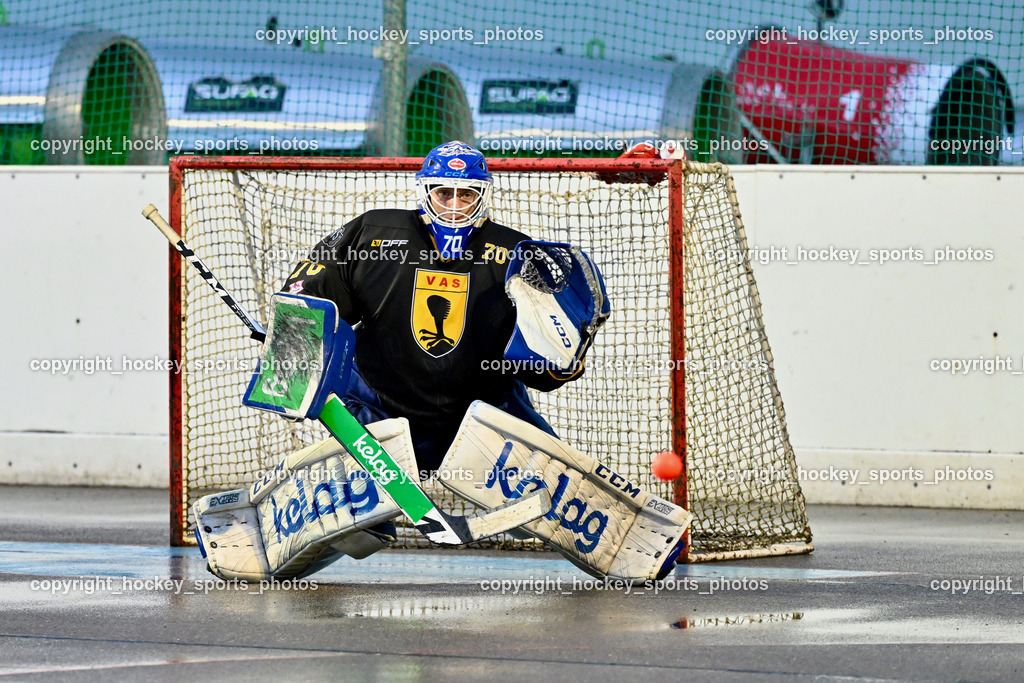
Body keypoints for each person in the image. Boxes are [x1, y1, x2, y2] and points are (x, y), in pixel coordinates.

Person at [280, 140, 581, 474]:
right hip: (379, 405)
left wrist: (563, 357)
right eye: (443, 193)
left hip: (484, 411)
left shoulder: (515, 253)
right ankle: (372, 515)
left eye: (466, 194)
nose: (454, 205)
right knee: (354, 518)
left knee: (560, 488)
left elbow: (539, 363)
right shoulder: (371, 234)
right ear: (425, 191)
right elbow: (307, 297)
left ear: (482, 196)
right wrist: (288, 372)